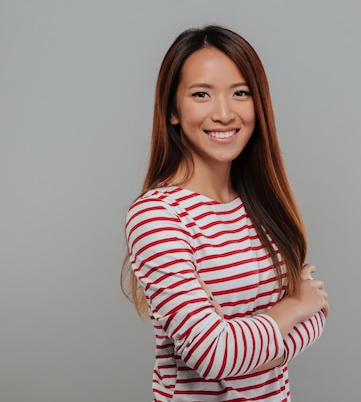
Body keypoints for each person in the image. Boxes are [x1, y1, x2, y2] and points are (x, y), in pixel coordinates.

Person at [121, 24, 329, 402]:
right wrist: (293, 307)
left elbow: (318, 317)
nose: (223, 113)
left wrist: (238, 338)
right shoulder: (158, 216)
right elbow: (214, 356)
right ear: (172, 109)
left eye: (240, 93)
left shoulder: (260, 205)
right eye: (201, 94)